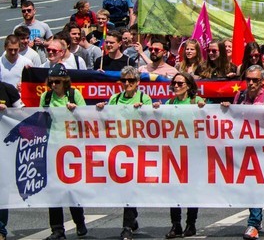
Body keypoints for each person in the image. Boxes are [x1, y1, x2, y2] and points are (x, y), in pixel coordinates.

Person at [221, 66, 264, 240]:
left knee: (256, 186)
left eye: (255, 80)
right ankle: (256, 219)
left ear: (262, 82)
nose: (251, 83)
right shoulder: (240, 96)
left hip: (262, 150)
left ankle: (253, 223)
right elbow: (235, 120)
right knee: (248, 187)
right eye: (248, 80)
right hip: (243, 149)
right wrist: (227, 109)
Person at [96, 67, 152, 240]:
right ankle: (132, 217)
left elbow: (152, 121)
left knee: (130, 187)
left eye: (131, 81)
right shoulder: (115, 98)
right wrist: (102, 109)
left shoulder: (144, 98)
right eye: (124, 81)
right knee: (123, 189)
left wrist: (144, 110)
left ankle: (127, 226)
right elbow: (106, 119)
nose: (127, 84)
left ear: (138, 83)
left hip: (136, 149)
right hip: (118, 149)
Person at [43, 64, 88, 240]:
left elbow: (88, 117)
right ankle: (57, 229)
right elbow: (40, 119)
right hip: (53, 149)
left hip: (71, 150)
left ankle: (79, 221)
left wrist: (76, 111)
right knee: (54, 191)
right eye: (51, 82)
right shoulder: (46, 97)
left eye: (57, 82)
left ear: (65, 81)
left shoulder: (74, 95)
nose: (54, 85)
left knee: (71, 190)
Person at [164, 73, 204, 238]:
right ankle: (175, 224)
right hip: (173, 152)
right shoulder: (169, 103)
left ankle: (191, 223)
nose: (176, 86)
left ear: (188, 85)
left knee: (191, 189)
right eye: (174, 83)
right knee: (174, 189)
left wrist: (204, 108)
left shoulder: (196, 101)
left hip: (192, 153)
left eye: (180, 83)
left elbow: (209, 119)